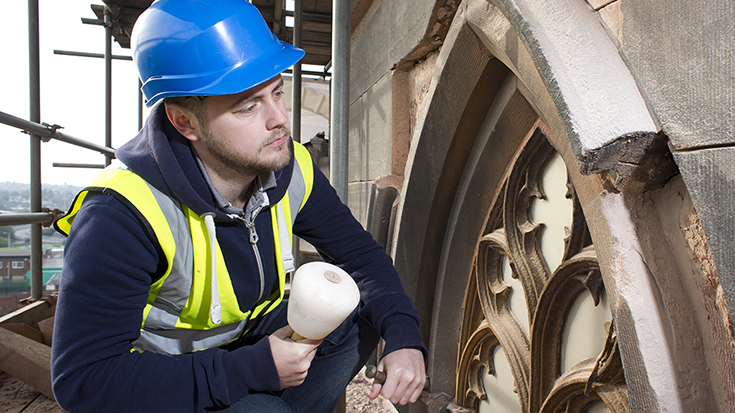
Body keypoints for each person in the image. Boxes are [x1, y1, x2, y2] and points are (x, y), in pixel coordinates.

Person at [49, 1, 426, 412]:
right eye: (248, 106)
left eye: (277, 92)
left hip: (248, 342)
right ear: (184, 123)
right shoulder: (120, 214)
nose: (280, 119)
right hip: (165, 379)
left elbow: (361, 258)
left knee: (356, 308)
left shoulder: (290, 166)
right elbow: (83, 382)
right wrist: (248, 370)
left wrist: (404, 333)